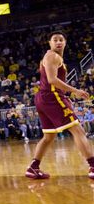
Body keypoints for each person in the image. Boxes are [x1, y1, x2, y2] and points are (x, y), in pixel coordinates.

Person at [25, 31, 94, 179]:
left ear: (65, 42)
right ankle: (93, 166)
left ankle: (33, 167)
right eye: (54, 40)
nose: (58, 42)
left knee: (49, 136)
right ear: (50, 43)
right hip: (52, 97)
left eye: (61, 39)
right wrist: (75, 91)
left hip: (43, 98)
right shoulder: (52, 56)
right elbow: (52, 80)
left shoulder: (54, 57)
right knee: (78, 130)